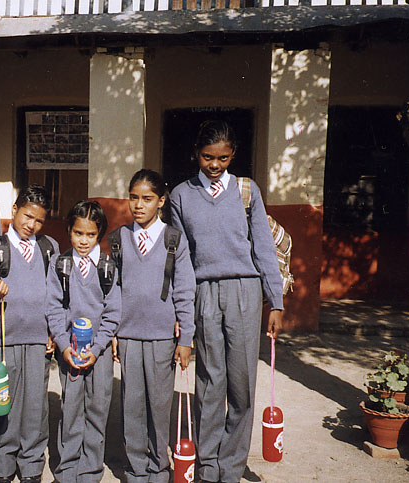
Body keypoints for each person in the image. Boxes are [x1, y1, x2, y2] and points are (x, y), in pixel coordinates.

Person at [169, 120, 284, 483]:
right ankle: (208, 465)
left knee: (241, 381)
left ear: (232, 154)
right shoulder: (180, 195)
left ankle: (231, 469)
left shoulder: (247, 191)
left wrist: (275, 301)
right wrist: (184, 312)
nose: (215, 165)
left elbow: (264, 247)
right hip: (204, 292)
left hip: (244, 293)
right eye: (207, 157)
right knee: (209, 380)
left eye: (222, 158)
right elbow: (183, 261)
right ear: (196, 155)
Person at [109, 169, 196, 483]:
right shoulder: (119, 240)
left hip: (162, 336)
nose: (139, 205)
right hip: (129, 335)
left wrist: (185, 336)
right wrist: (114, 331)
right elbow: (113, 290)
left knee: (159, 406)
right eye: (133, 198)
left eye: (147, 199)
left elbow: (185, 290)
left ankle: (159, 466)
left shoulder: (174, 239)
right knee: (131, 405)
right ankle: (135, 468)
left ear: (161, 201)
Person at [0, 184, 59, 483]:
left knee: (36, 407)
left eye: (38, 220)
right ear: (14, 210)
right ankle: (4, 464)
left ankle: (32, 466)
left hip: (38, 340)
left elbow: (56, 295)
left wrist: (53, 330)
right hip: (6, 339)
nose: (31, 225)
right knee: (4, 403)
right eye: (27, 216)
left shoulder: (49, 248)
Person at [45, 200, 121, 483]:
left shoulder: (107, 267)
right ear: (69, 231)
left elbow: (113, 311)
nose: (84, 241)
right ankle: (67, 469)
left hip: (97, 354)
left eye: (90, 235)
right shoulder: (60, 265)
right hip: (70, 353)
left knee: (98, 409)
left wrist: (99, 345)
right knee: (72, 408)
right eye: (78, 233)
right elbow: (54, 308)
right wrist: (64, 346)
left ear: (99, 233)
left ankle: (90, 470)